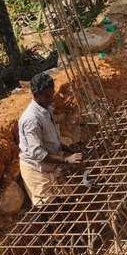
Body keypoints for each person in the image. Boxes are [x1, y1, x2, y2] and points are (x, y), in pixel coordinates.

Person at [18, 72, 83, 205]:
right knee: (49, 207)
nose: (51, 98)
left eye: (52, 93)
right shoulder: (31, 119)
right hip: (36, 169)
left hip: (49, 164)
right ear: (36, 95)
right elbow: (38, 153)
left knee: (68, 201)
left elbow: (53, 140)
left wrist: (69, 149)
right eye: (48, 96)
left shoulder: (46, 108)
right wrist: (66, 159)